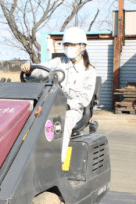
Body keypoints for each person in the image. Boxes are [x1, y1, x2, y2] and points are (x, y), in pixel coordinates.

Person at [21, 26, 96, 164]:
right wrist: (30, 69)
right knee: (30, 117)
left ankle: (57, 164)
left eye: (72, 45)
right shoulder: (59, 62)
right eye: (66, 45)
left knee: (62, 122)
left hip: (72, 109)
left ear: (82, 46)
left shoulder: (89, 71)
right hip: (52, 104)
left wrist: (67, 105)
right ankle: (28, 161)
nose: (69, 48)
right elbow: (42, 69)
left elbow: (85, 98)